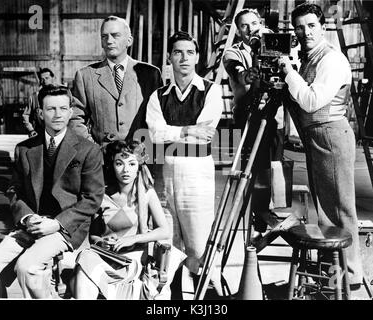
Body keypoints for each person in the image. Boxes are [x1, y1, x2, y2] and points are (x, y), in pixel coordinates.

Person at [0, 84, 105, 299]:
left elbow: (92, 198)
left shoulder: (88, 150)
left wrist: (57, 223)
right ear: (40, 113)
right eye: (51, 109)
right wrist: (27, 217)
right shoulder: (25, 149)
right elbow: (14, 190)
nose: (57, 115)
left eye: (63, 108)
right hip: (32, 224)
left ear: (71, 112)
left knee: (27, 267)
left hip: (65, 228)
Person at [278, 2, 363, 288]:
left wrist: (289, 72)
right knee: (325, 209)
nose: (305, 32)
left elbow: (312, 100)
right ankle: (332, 272)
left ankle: (349, 276)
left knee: (340, 208)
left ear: (323, 27)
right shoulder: (308, 58)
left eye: (311, 25)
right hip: (316, 137)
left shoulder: (332, 59)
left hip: (331, 135)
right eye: (299, 27)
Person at [146, 31, 223, 276]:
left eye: (190, 52)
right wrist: (188, 130)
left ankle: (202, 294)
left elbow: (205, 134)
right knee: (168, 244)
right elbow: (155, 135)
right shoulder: (158, 96)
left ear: (197, 57)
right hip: (165, 174)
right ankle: (172, 295)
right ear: (169, 57)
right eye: (178, 52)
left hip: (197, 175)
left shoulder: (211, 91)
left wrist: (170, 133)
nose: (184, 58)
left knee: (198, 246)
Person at [71, 139, 171, 299]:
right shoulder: (102, 195)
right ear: (112, 165)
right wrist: (102, 242)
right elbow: (93, 237)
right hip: (106, 257)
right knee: (85, 260)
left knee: (84, 267)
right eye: (119, 163)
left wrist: (132, 239)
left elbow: (164, 231)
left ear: (139, 165)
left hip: (133, 260)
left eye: (132, 164)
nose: (126, 170)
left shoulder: (146, 193)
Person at [223, 8, 285, 240]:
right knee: (251, 167)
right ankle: (252, 211)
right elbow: (235, 69)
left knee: (273, 167)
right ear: (238, 31)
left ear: (260, 23)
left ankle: (268, 211)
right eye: (244, 26)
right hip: (247, 116)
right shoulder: (232, 52)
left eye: (254, 23)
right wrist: (246, 75)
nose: (250, 29)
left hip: (273, 117)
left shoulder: (275, 43)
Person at [72, 16, 163, 145]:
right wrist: (93, 150)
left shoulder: (150, 74)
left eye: (115, 35)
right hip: (103, 158)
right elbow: (75, 118)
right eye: (104, 36)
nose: (109, 41)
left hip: (140, 156)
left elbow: (159, 119)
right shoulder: (85, 76)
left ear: (129, 41)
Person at [22, 68, 55, 137]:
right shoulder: (34, 97)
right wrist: (31, 130)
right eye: (42, 79)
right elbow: (26, 115)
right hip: (39, 133)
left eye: (47, 78)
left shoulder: (61, 96)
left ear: (53, 78)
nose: (44, 81)